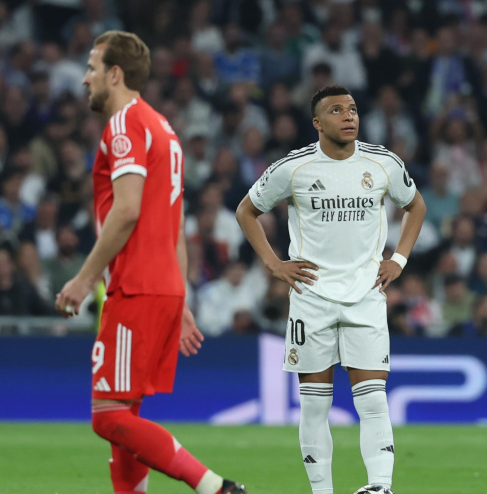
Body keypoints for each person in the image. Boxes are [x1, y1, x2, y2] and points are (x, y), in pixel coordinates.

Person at [54, 31, 245, 494]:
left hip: (136, 285)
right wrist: (179, 298)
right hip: (163, 285)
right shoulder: (164, 129)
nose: (85, 80)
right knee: (125, 417)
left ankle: (214, 487)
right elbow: (174, 225)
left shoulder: (124, 126)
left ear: (114, 75)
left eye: (92, 69)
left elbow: (127, 210)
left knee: (108, 417)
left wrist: (83, 278)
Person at [236, 84, 427, 494]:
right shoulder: (294, 168)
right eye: (337, 110)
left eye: (353, 109)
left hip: (366, 295)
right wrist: (273, 263)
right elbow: (246, 210)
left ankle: (380, 487)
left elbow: (416, 206)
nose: (349, 116)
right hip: (312, 298)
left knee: (373, 399)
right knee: (315, 403)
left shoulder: (383, 163)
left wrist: (399, 259)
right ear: (317, 123)